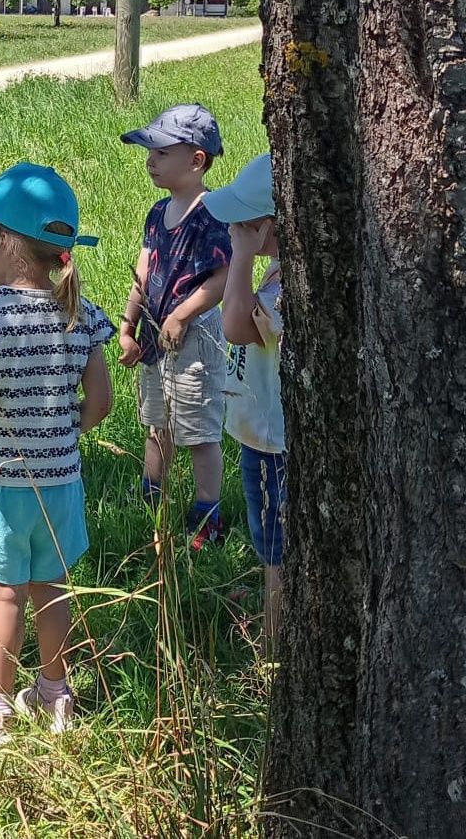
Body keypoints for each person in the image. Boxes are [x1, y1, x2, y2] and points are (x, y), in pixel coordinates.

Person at [0, 163, 115, 745]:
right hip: (59, 481)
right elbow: (101, 400)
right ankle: (53, 693)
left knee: (7, 590)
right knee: (53, 586)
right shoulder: (80, 315)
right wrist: (66, 433)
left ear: (4, 244)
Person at [117, 105, 232, 548]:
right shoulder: (156, 213)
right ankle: (152, 492)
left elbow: (223, 275)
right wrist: (129, 325)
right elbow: (143, 271)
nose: (151, 161)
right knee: (155, 421)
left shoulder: (212, 214)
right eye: (150, 152)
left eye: (162, 153)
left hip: (195, 339)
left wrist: (183, 314)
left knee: (198, 429)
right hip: (154, 333)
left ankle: (208, 513)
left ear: (197, 160)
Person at [205, 154, 286, 647]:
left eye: (243, 225)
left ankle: (275, 643)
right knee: (268, 539)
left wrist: (239, 258)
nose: (233, 231)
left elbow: (235, 326)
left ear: (268, 229)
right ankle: (274, 609)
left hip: (273, 443)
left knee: (276, 548)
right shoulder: (278, 270)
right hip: (260, 434)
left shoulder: (282, 290)